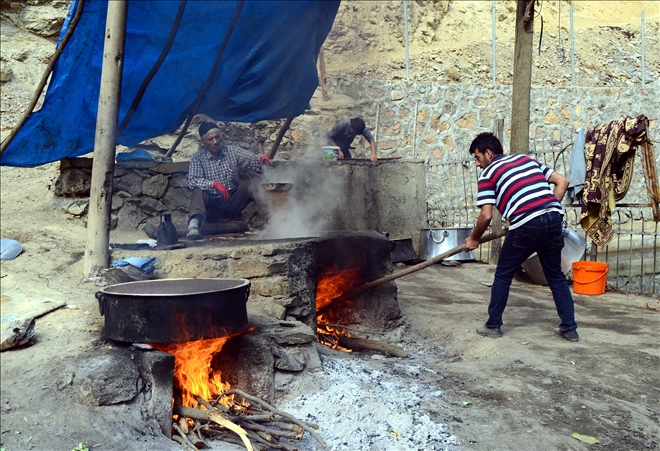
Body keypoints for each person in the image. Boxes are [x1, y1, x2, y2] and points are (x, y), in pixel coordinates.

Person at [464, 132, 579, 342]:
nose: (477, 164)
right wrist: (546, 210)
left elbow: (486, 215)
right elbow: (563, 181)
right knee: (555, 276)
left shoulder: (488, 174)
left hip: (526, 225)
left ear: (488, 153)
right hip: (554, 219)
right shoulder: (526, 159)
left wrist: (473, 239)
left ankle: (493, 325)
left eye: (477, 158)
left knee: (503, 275)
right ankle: (569, 329)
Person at [187, 121, 271, 240]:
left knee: (254, 184)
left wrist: (262, 158)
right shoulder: (197, 158)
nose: (215, 142)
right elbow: (192, 181)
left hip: (232, 203)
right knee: (198, 190)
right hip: (211, 208)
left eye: (217, 137)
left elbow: (252, 160)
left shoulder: (231, 151)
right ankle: (194, 226)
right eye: (210, 139)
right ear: (203, 142)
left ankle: (272, 223)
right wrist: (214, 184)